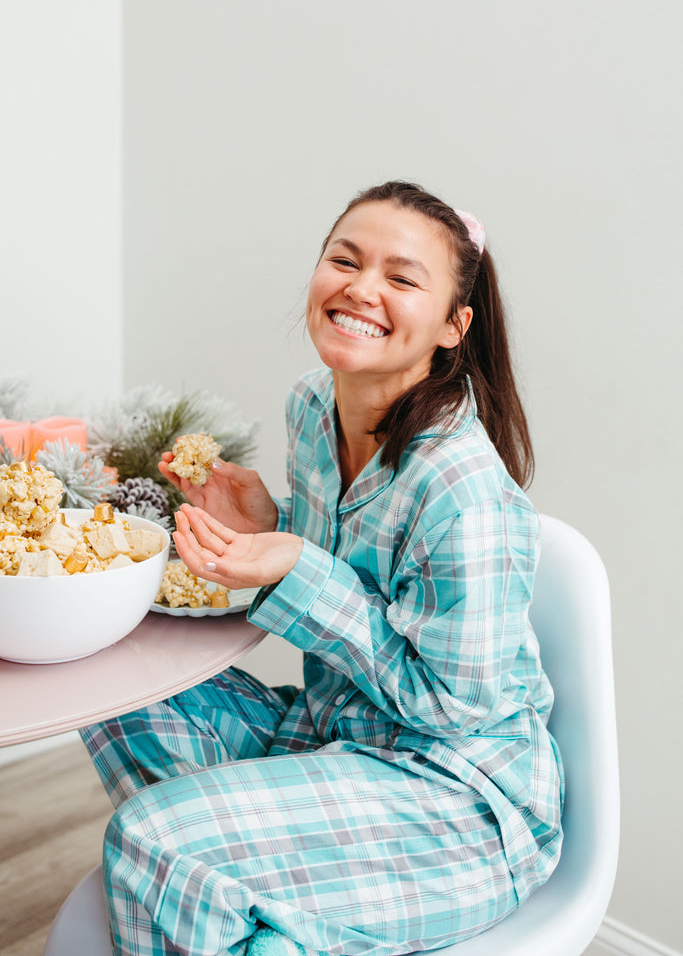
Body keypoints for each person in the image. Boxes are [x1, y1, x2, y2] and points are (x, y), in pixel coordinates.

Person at [81, 181, 564, 956]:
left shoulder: (464, 492)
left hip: (457, 805)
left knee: (154, 838)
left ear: (452, 326)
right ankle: (264, 915)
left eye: (402, 278)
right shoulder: (312, 408)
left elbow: (454, 707)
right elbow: (350, 568)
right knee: (105, 671)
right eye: (345, 259)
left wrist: (298, 568)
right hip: (327, 736)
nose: (361, 288)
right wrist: (272, 524)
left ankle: (228, 899)